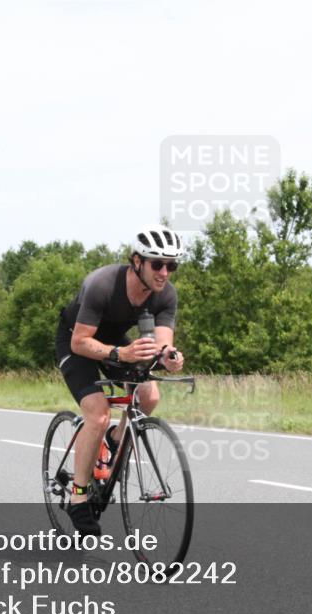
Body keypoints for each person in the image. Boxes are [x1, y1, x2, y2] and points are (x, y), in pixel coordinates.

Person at [54, 224, 185, 537]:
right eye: (157, 264)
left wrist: (169, 357)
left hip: (117, 343)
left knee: (149, 397)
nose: (164, 272)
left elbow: (162, 343)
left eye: (171, 265)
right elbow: (81, 343)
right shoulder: (103, 285)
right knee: (98, 414)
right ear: (137, 262)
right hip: (77, 341)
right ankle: (79, 495)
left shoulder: (165, 295)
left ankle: (116, 440)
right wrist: (121, 354)